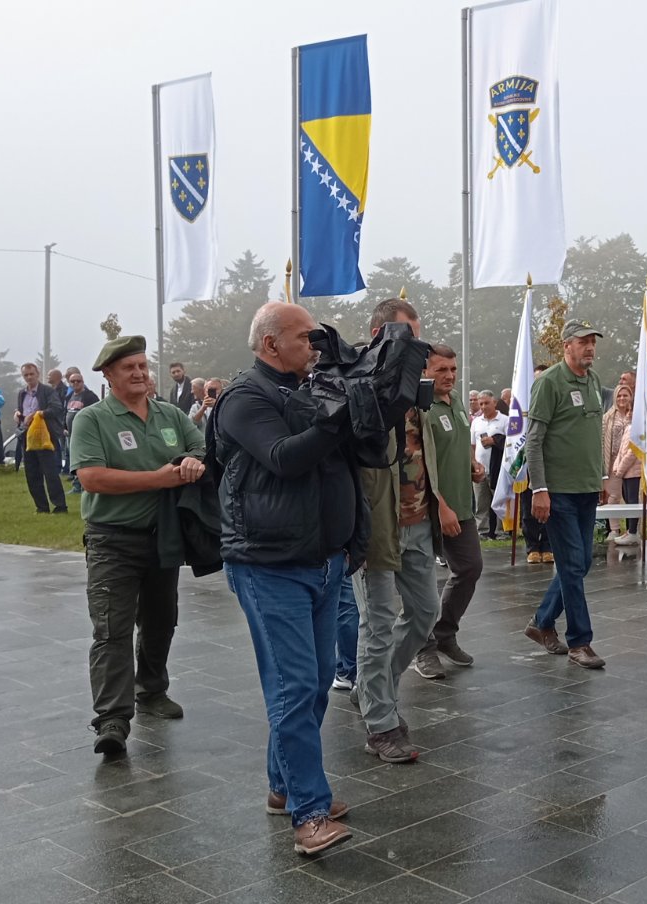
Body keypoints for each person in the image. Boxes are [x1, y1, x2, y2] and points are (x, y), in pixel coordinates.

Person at [214, 302, 367, 855]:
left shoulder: (311, 388)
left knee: (317, 680)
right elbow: (283, 457)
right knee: (294, 686)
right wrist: (337, 417)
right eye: (306, 338)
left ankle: (283, 786)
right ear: (270, 344)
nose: (316, 347)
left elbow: (350, 466)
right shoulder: (244, 397)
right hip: (269, 565)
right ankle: (309, 812)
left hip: (324, 561)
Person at [70, 335, 207, 757]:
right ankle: (112, 718)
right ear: (109, 375)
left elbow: (200, 447)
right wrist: (158, 479)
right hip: (112, 539)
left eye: (143, 366)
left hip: (163, 536)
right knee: (112, 627)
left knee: (161, 620)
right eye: (129, 367)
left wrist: (193, 460)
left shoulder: (170, 414)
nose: (139, 373)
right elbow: (92, 477)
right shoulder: (92, 419)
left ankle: (151, 690)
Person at [353, 297, 441, 763]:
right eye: (410, 338)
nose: (418, 349)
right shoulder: (356, 385)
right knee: (379, 626)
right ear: (379, 335)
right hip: (377, 528)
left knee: (425, 612)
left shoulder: (413, 388)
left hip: (418, 522)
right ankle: (381, 724)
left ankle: (374, 689)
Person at [521, 320, 609, 670]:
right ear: (566, 346)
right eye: (583, 342)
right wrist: (539, 489)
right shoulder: (549, 382)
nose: (590, 348)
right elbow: (534, 440)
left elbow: (594, 433)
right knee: (572, 566)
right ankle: (580, 641)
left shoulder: (594, 380)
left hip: (587, 487)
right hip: (558, 491)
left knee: (582, 562)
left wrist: (602, 476)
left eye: (593, 342)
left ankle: (542, 622)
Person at [410, 345, 484, 680]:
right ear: (424, 371)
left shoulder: (455, 401)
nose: (450, 376)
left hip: (461, 505)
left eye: (453, 369)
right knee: (421, 582)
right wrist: (440, 505)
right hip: (428, 509)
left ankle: (444, 634)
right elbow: (418, 462)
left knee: (469, 568)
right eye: (441, 369)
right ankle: (422, 649)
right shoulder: (420, 407)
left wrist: (472, 465)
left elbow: (458, 443)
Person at [16, 362, 68, 514]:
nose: (29, 377)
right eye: (26, 375)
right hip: (27, 436)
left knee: (50, 473)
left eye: (31, 374)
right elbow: (22, 411)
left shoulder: (47, 391)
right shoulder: (21, 393)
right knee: (32, 474)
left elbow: (56, 408)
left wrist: (37, 414)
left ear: (37, 374)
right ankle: (41, 507)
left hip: (45, 436)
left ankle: (60, 506)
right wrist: (18, 414)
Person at [520, 364, 552, 564]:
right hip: (526, 464)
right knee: (528, 508)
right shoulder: (523, 404)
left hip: (548, 464)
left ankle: (548, 545)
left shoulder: (552, 403)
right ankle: (532, 546)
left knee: (549, 507)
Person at [602, 382, 640, 546]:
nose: (622, 398)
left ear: (631, 397)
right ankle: (614, 530)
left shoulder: (635, 416)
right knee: (613, 497)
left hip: (632, 461)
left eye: (625, 395)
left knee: (631, 498)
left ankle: (633, 531)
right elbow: (602, 438)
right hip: (613, 461)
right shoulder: (608, 417)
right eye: (619, 395)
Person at [470, 391, 509, 540]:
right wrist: (474, 463)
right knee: (481, 502)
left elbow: (511, 443)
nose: (483, 407)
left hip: (498, 468)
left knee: (500, 500)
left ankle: (501, 531)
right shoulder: (476, 422)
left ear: (494, 403)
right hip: (480, 468)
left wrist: (495, 441)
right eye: (481, 404)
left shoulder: (505, 420)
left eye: (486, 403)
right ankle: (482, 531)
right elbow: (472, 445)